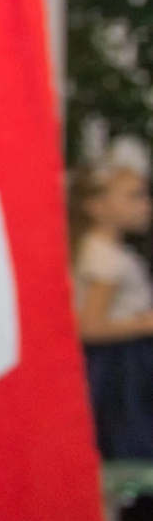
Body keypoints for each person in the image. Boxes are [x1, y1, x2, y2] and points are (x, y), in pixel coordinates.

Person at [72, 140, 153, 458]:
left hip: (125, 362)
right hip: (120, 367)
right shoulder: (104, 258)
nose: (145, 204)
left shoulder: (106, 251)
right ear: (97, 206)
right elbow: (89, 327)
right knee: (129, 438)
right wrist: (143, 324)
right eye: (134, 196)